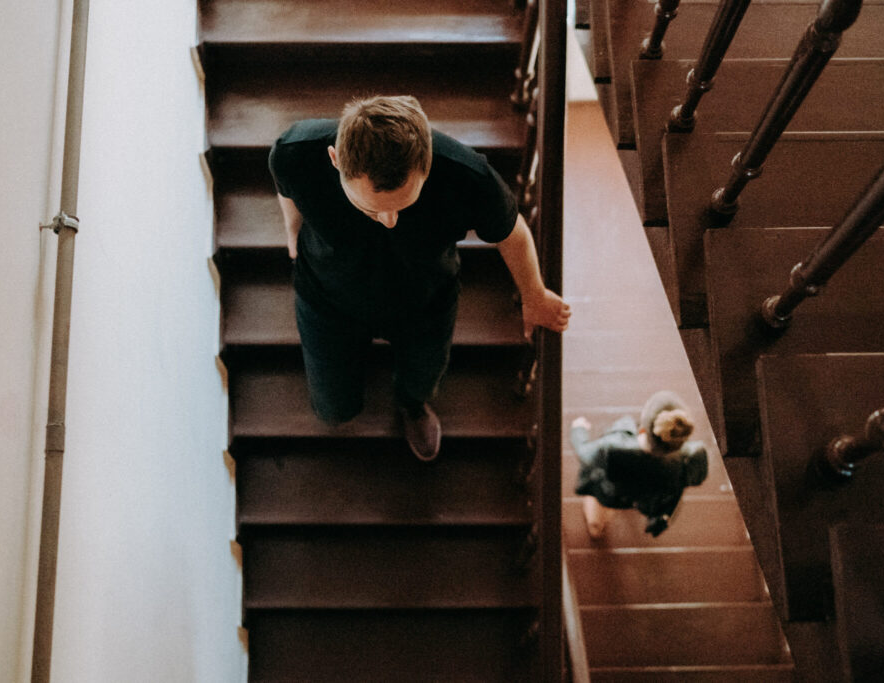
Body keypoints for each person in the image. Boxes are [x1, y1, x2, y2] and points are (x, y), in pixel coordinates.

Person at [268, 95, 570, 462]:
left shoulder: (467, 174)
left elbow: (513, 233)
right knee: (333, 407)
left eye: (402, 205)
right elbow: (288, 189)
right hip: (328, 300)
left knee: (423, 377)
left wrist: (534, 295)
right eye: (371, 208)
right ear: (335, 160)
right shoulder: (296, 152)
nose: (390, 220)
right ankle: (344, 406)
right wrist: (291, 231)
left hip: (425, 301)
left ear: (427, 165)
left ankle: (412, 406)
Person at [570, 390, 709, 538]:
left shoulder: (612, 448)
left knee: (601, 502)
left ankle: (595, 526)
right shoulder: (690, 460)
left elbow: (583, 452)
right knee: (630, 498)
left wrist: (579, 429)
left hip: (612, 492)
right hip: (644, 498)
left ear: (643, 428)